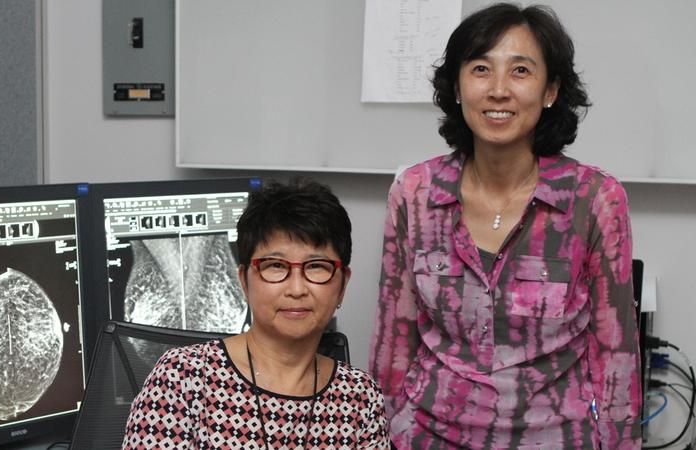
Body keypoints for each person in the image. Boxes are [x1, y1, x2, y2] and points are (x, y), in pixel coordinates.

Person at [369, 3, 640, 449]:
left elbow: (617, 356)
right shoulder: (415, 192)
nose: (498, 90)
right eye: (480, 69)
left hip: (554, 438)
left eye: (520, 71)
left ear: (550, 90)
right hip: (426, 435)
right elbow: (393, 341)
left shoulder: (594, 198)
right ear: (457, 86)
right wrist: (383, 433)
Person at [123, 178, 391, 449]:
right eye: (275, 265)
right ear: (244, 280)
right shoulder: (182, 378)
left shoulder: (360, 397)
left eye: (316, 266)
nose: (297, 288)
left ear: (342, 284)